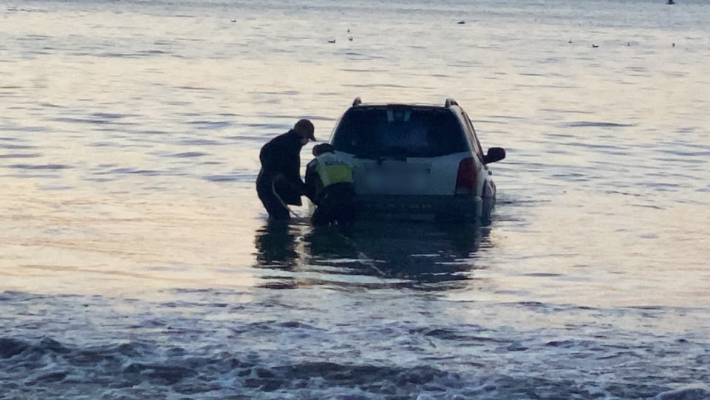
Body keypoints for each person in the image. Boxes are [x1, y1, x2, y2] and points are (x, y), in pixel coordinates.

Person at [256, 119, 316, 220]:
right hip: (270, 186)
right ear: (302, 133)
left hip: (268, 184)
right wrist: (308, 192)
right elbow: (292, 174)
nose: (307, 141)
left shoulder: (287, 141)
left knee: (280, 215)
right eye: (307, 137)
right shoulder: (290, 145)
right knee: (281, 217)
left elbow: (264, 152)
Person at [304, 143, 356, 226]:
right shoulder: (347, 162)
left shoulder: (316, 162)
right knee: (345, 226)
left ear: (317, 153)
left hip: (330, 196)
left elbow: (310, 186)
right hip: (349, 196)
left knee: (317, 226)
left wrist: (316, 200)